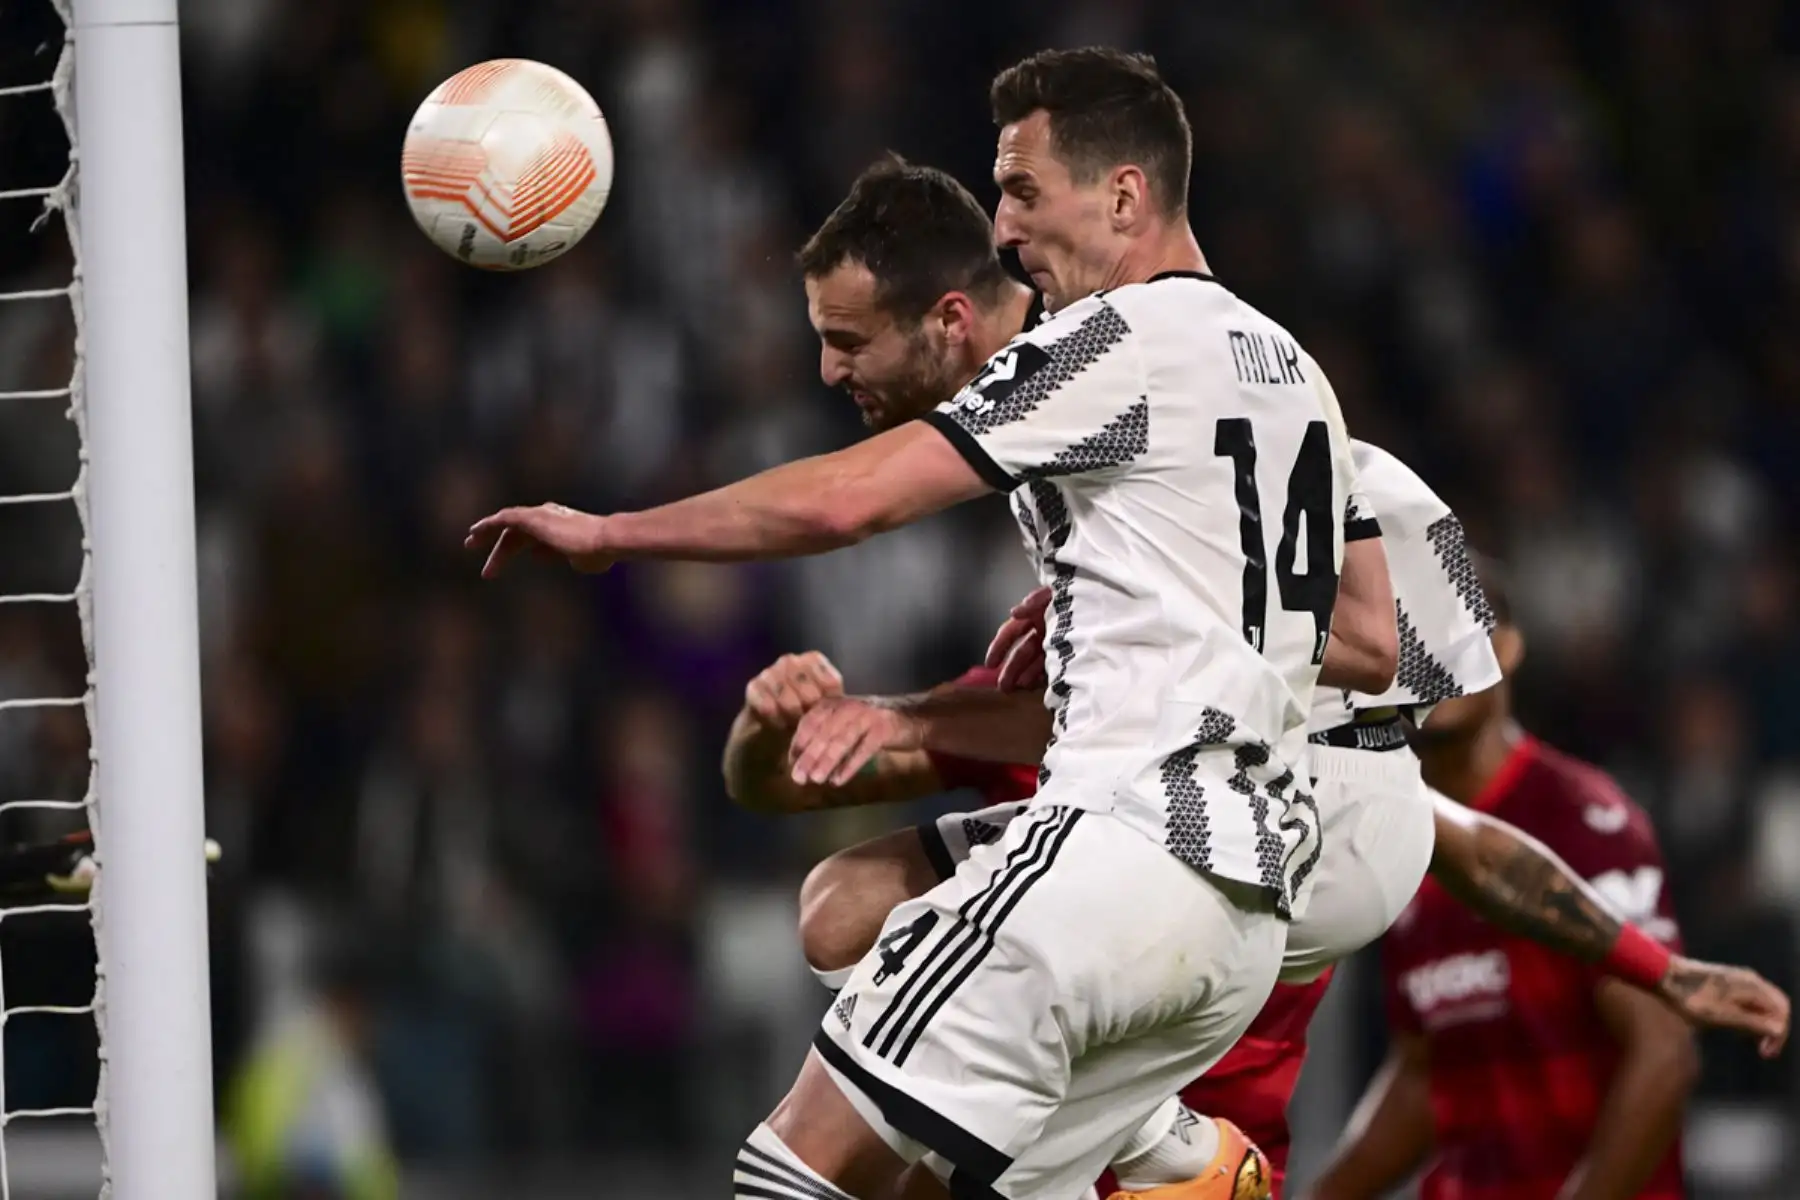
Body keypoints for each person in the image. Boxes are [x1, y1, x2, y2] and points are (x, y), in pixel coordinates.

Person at [723, 157, 1789, 1198]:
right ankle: (1162, 1142)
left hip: (1202, 1099)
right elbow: (818, 792)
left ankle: (1169, 1144)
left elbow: (1468, 841)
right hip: (1083, 1094)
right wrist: (788, 727)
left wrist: (1656, 966)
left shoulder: (1298, 720)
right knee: (845, 939)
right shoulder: (1071, 662)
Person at [470, 48, 1386, 1200]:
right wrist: (1132, 605)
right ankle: (1182, 1153)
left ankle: (1180, 1150)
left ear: (1124, 197)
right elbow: (1372, 638)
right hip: (1251, 898)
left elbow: (850, 499)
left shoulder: (1116, 343)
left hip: (1125, 844)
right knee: (849, 930)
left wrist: (611, 533)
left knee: (786, 1176)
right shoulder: (1298, 374)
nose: (1003, 227)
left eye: (1022, 190)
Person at [1305, 561, 1702, 1200]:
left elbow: (1662, 1055)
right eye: (1415, 640)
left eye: (1458, 635)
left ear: (1509, 649)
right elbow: (1423, 1076)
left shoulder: (1582, 820)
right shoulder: (1398, 832)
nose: (1437, 660)